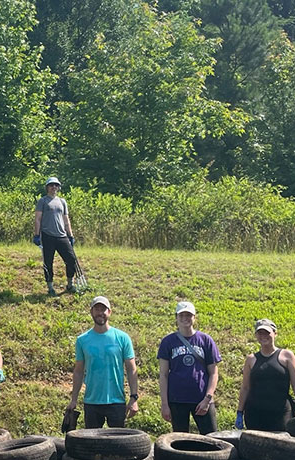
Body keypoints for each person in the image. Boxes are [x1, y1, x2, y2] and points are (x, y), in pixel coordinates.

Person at [67, 296, 140, 428]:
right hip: (92, 402)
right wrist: (74, 399)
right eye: (97, 309)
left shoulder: (122, 338)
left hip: (116, 401)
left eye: (103, 309)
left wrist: (134, 398)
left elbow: (131, 369)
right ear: (91, 312)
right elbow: (78, 371)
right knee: (93, 445)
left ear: (109, 312)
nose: (100, 313)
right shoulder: (82, 340)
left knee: (117, 444)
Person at [158, 301, 220, 434]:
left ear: (194, 317)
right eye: (181, 315)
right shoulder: (168, 342)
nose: (185, 318)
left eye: (188, 315)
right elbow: (163, 374)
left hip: (202, 398)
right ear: (176, 317)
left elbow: (214, 373)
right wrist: (164, 404)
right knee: (180, 441)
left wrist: (207, 398)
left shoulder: (205, 340)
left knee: (212, 438)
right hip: (177, 400)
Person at [236, 319, 295, 431]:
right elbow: (245, 387)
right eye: (260, 333)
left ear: (275, 333)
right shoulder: (251, 359)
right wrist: (239, 411)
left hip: (280, 413)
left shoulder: (287, 356)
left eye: (267, 333)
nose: (263, 336)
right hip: (255, 413)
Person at [33, 177, 78, 296]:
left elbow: (66, 219)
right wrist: (37, 235)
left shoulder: (62, 202)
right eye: (51, 185)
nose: (53, 187)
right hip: (47, 236)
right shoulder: (43, 201)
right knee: (48, 263)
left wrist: (70, 235)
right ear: (47, 187)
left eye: (56, 185)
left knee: (71, 260)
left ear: (58, 187)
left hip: (62, 236)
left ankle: (70, 284)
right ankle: (50, 287)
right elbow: (38, 219)